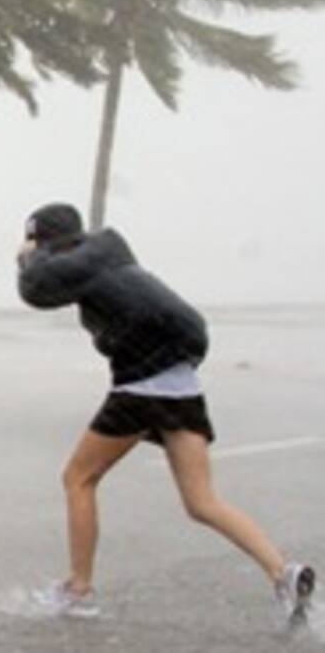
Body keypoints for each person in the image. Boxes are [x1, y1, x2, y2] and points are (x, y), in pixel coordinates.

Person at [16, 202, 313, 623]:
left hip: (142, 385)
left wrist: (27, 255)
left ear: (47, 240)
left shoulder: (81, 261)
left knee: (78, 478)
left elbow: (34, 290)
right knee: (201, 501)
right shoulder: (106, 256)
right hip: (181, 383)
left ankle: (78, 591)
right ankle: (283, 573)